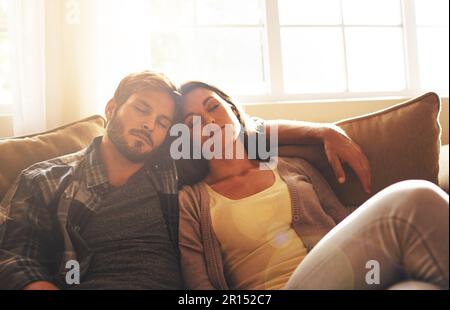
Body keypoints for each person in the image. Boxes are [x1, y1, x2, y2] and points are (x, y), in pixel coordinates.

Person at [0, 71, 370, 290]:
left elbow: (234, 131)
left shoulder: (172, 168)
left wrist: (323, 131)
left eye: (163, 122)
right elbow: (15, 256)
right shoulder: (47, 179)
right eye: (142, 110)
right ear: (112, 108)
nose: (150, 125)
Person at [177, 81, 449, 290]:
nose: (210, 122)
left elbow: (345, 226)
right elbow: (199, 289)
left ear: (234, 111)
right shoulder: (191, 201)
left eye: (213, 107)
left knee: (416, 287)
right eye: (193, 122)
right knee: (416, 197)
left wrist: (325, 132)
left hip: (343, 275)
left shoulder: (293, 166)